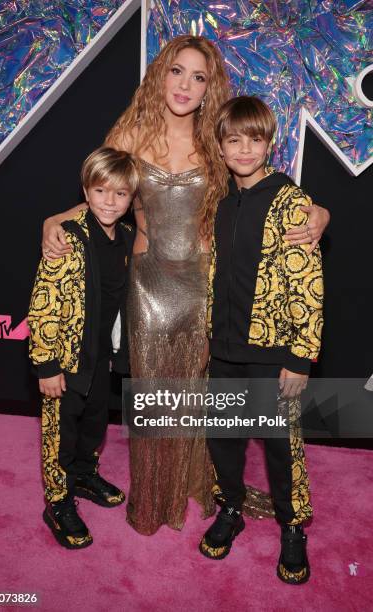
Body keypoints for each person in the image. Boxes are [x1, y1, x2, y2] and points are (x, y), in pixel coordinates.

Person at [41, 35, 330, 536]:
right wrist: (57, 216)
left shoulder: (217, 137)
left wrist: (321, 212)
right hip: (148, 286)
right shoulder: (132, 131)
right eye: (178, 71)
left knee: (199, 398)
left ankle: (202, 484)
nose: (186, 85)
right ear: (161, 73)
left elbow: (261, 187)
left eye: (199, 77)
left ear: (209, 86)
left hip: (204, 287)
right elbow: (102, 192)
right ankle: (154, 495)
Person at [199, 96, 323, 585]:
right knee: (223, 437)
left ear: (269, 143)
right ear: (222, 148)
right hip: (226, 349)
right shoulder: (225, 205)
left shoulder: (292, 201)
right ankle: (229, 508)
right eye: (234, 141)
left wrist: (300, 356)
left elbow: (308, 282)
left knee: (279, 444)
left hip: (275, 354)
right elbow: (217, 275)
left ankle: (293, 527)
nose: (245, 150)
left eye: (255, 139)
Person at [28, 147, 138, 548]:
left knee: (93, 425)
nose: (110, 202)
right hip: (66, 360)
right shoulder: (67, 238)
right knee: (61, 434)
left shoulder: (127, 237)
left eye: (120, 194)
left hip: (100, 358)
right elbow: (44, 304)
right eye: (101, 191)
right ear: (86, 193)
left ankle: (84, 476)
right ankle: (57, 501)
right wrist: (46, 365)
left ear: (130, 198)